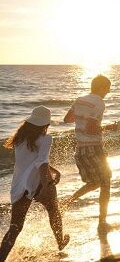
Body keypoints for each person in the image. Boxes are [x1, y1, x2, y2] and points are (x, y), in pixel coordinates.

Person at [0, 106, 70, 261]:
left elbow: (33, 160)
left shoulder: (20, 138)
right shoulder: (46, 138)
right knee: (54, 212)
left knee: (15, 227)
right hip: (39, 182)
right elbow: (41, 163)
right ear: (46, 123)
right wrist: (46, 186)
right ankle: (60, 243)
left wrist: (54, 170)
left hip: (19, 185)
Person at [63, 74, 113, 233]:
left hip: (80, 148)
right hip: (93, 147)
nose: (108, 91)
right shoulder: (99, 102)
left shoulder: (79, 99)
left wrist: (82, 116)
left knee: (95, 182)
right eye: (107, 88)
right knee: (105, 183)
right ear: (100, 88)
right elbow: (91, 128)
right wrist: (109, 128)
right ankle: (102, 223)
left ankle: (68, 201)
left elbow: (67, 119)